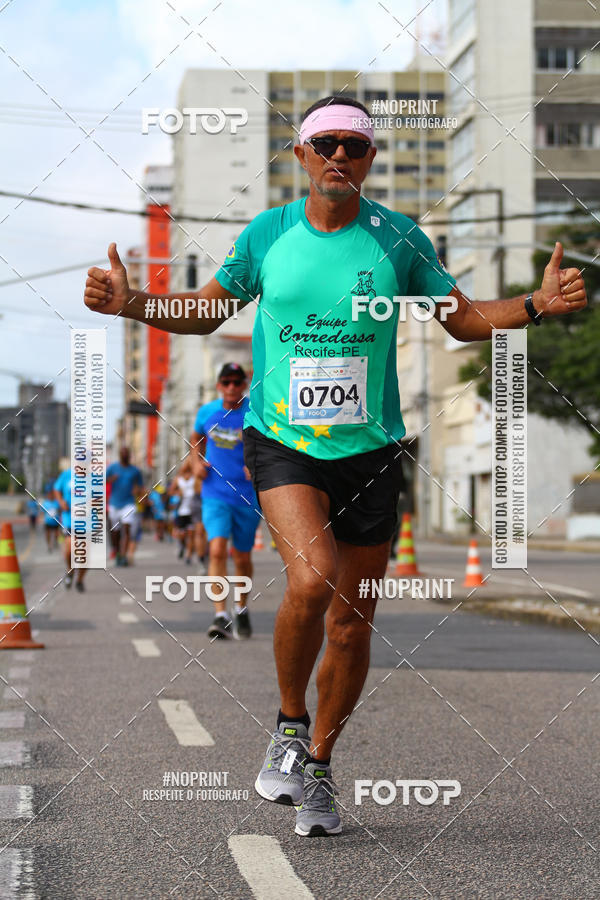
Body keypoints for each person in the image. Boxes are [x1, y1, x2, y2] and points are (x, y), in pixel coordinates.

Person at [83, 94, 588, 836]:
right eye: (327, 145)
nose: (340, 157)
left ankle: (318, 767)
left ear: (370, 158)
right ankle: (288, 728)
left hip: (374, 451)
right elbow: (205, 311)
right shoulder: (268, 235)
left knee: (353, 629)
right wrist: (134, 305)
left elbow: (462, 319)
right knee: (311, 576)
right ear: (302, 157)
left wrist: (536, 306)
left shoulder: (399, 239)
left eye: (354, 145)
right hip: (284, 439)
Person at [190, 364, 260, 639]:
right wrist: (196, 462)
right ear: (219, 385)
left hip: (246, 496)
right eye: (226, 382)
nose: (232, 387)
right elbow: (196, 438)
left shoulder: (256, 413)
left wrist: (256, 464)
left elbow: (272, 443)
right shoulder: (207, 412)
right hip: (214, 492)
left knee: (242, 557)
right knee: (217, 549)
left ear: (244, 384)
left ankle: (241, 609)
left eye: (237, 382)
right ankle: (220, 615)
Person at [106, 447, 143, 567]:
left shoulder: (135, 471)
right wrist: (110, 479)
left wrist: (138, 491)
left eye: (127, 454)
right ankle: (116, 551)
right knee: (115, 531)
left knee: (127, 528)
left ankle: (123, 555)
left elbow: (140, 486)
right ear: (120, 455)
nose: (125, 456)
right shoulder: (112, 468)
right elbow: (101, 481)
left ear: (129, 456)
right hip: (114, 504)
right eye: (123, 454)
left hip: (129, 503)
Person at [54, 465, 86, 592]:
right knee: (70, 549)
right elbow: (57, 489)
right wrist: (61, 502)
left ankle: (79, 580)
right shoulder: (67, 474)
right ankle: (70, 570)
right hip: (69, 518)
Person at [169, 458, 198, 564]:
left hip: (193, 510)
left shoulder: (195, 477)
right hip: (181, 511)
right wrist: (177, 492)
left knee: (191, 534)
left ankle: (189, 556)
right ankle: (181, 546)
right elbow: (171, 491)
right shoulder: (178, 479)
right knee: (182, 534)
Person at [39, 487, 60, 552]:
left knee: (56, 534)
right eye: (49, 494)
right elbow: (42, 512)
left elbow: (60, 511)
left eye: (52, 494)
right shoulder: (45, 503)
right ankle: (49, 545)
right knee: (48, 534)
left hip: (56, 521)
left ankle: (55, 542)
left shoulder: (57, 502)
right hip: (48, 522)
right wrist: (41, 519)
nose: (51, 495)